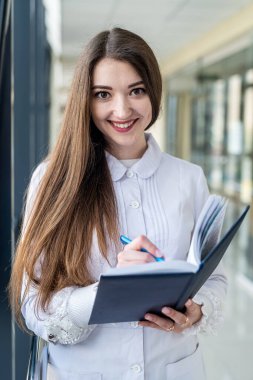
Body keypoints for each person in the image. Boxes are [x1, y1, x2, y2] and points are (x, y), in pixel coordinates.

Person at [10, 27, 227, 380]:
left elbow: (214, 278)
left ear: (153, 91)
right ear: (86, 99)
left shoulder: (190, 179)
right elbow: (33, 306)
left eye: (136, 91)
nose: (121, 109)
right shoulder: (52, 180)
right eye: (103, 94)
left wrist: (197, 311)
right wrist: (109, 291)